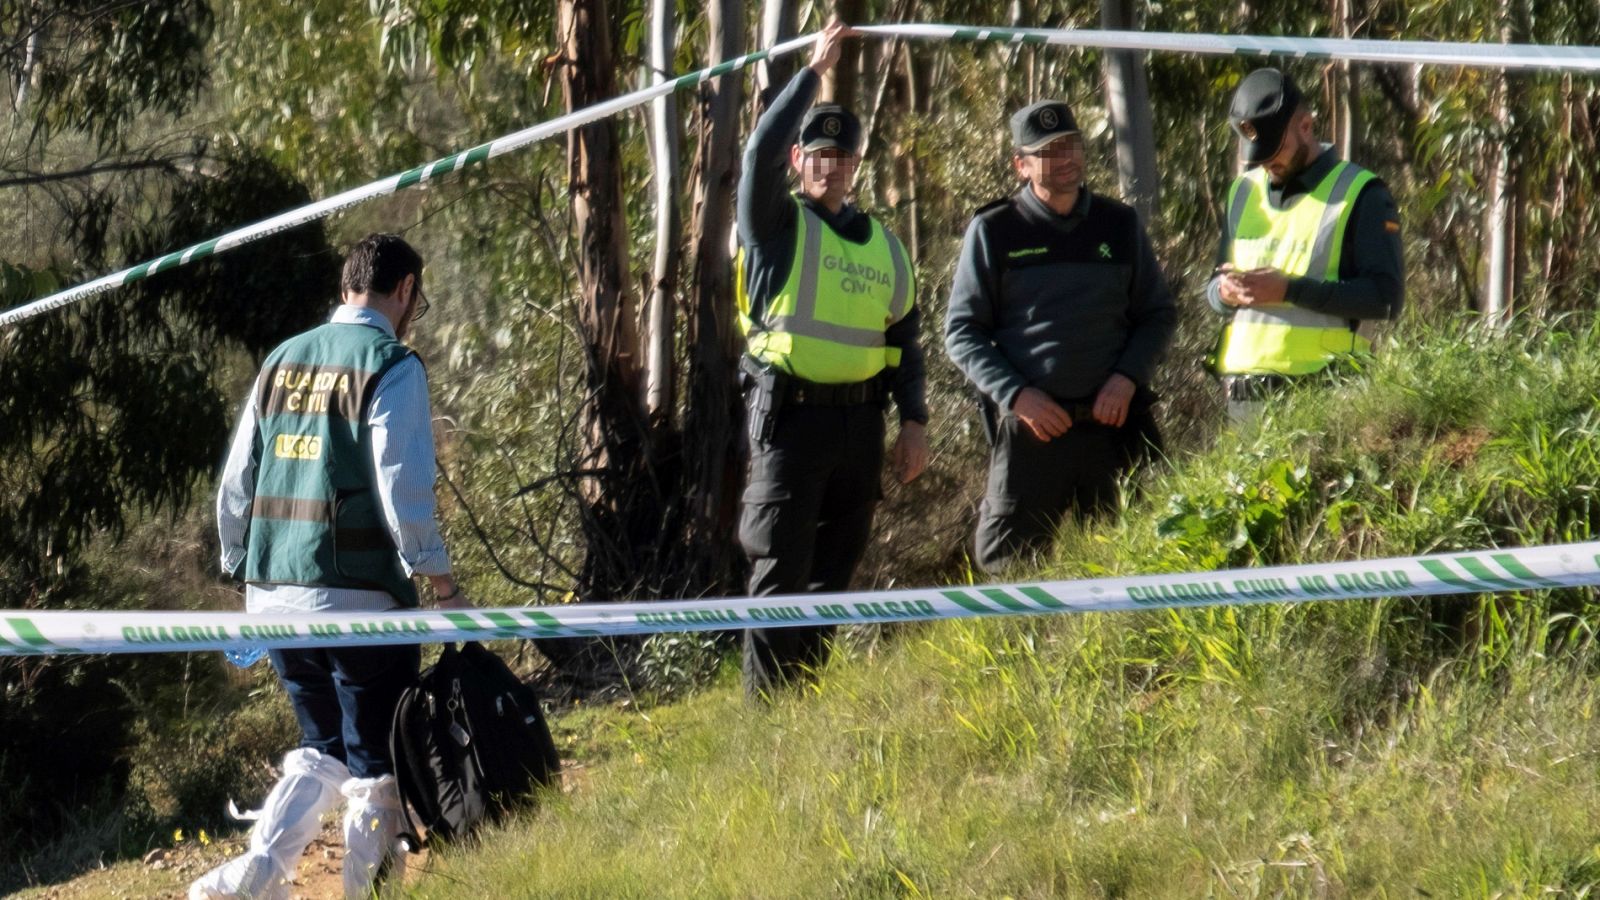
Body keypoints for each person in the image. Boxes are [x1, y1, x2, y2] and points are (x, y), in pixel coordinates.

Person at [193, 233, 469, 900]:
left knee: (322, 747)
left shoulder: (282, 359)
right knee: (375, 763)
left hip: (273, 596)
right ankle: (368, 893)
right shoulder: (390, 362)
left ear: (348, 287)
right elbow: (401, 483)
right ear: (404, 291)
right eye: (416, 299)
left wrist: (245, 563)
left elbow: (236, 484)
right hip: (359, 600)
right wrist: (437, 575)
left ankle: (254, 878)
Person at [735, 21, 929, 698]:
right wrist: (813, 73)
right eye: (818, 156)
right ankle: (767, 716)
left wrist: (914, 420)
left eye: (842, 158)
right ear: (800, 161)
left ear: (855, 165)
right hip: (790, 425)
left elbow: (904, 338)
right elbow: (758, 150)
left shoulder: (884, 245)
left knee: (833, 572)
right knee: (778, 572)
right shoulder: (776, 226)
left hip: (858, 431)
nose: (831, 167)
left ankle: (804, 701)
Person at [946, 99, 1175, 573]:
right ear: (1021, 165)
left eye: (1072, 145)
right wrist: (1016, 395)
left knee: (1134, 563)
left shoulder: (1119, 224)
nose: (1066, 157)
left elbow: (1156, 314)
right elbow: (962, 332)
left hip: (1113, 428)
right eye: (1050, 150)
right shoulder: (994, 230)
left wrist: (1127, 378)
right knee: (1008, 570)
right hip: (1033, 432)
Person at [1207, 67, 1404, 422]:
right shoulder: (1242, 192)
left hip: (1325, 394)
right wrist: (1224, 292)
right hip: (1245, 400)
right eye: (1258, 153)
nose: (1267, 162)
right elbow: (1213, 291)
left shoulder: (1362, 193)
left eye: (1275, 149)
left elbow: (1386, 300)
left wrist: (1289, 289)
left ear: (1306, 127)